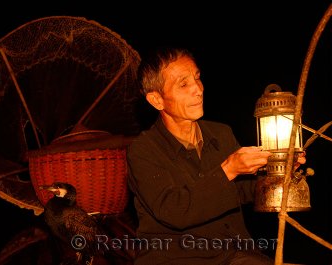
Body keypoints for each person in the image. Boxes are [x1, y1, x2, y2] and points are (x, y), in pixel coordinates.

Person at [126, 47, 305, 265]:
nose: (198, 89)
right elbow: (173, 211)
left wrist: (279, 170)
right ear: (156, 100)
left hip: (234, 254)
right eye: (183, 84)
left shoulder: (220, 134)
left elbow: (241, 190)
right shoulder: (143, 149)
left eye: (197, 78)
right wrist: (229, 169)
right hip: (177, 257)